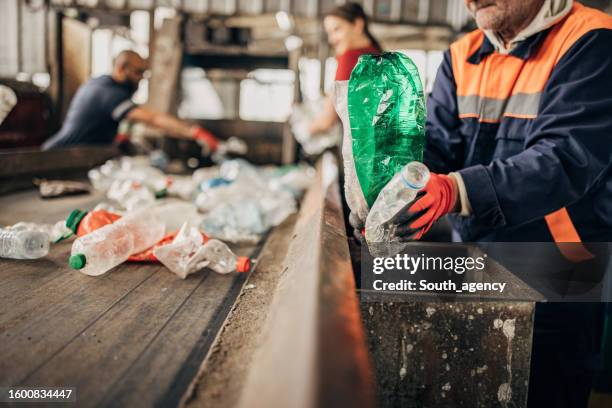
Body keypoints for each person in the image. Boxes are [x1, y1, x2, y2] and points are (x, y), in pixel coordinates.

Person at [348, 1, 611, 406]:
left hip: (562, 267)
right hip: (479, 258)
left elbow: (564, 159)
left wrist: (454, 190)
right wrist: (389, 188)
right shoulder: (462, 54)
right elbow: (436, 147)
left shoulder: (591, 39)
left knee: (547, 388)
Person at [42, 50, 218, 152]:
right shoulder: (108, 92)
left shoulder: (104, 84)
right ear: (121, 69)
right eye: (137, 72)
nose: (141, 78)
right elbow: (153, 119)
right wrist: (194, 133)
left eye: (143, 73)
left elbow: (113, 119)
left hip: (77, 155)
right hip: (58, 158)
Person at [307, 2, 382, 136]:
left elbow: (327, 120)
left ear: (358, 25)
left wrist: (307, 128)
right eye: (329, 33)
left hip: (362, 148)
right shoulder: (380, 55)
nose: (332, 39)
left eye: (337, 29)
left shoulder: (349, 59)